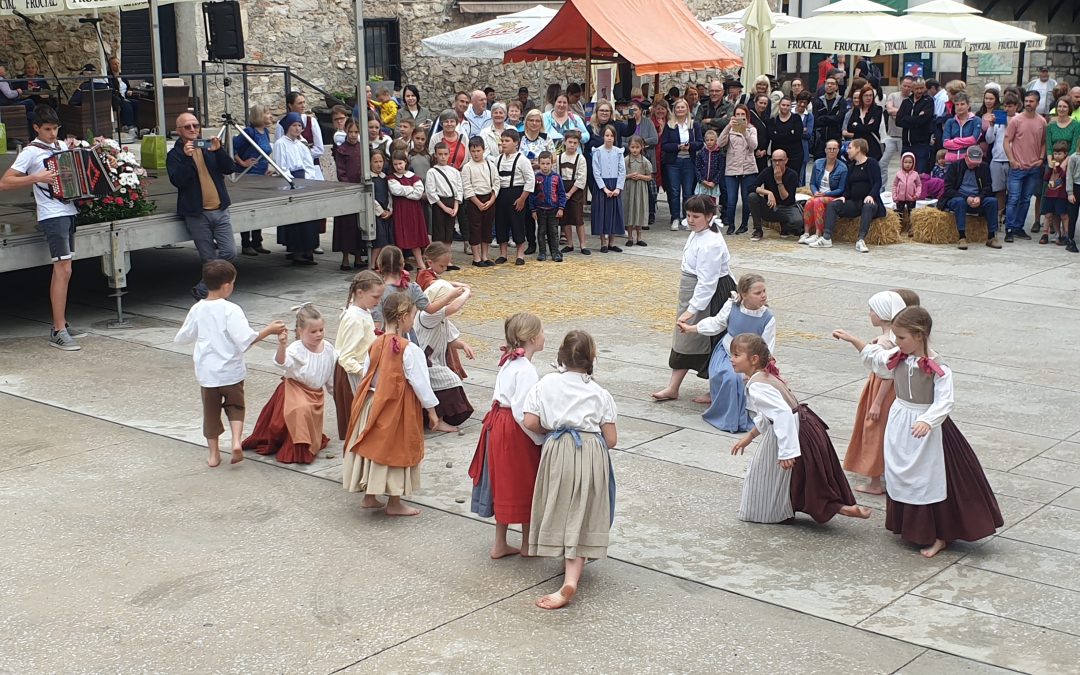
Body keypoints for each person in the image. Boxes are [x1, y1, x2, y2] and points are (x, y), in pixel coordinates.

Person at [833, 307, 1003, 558]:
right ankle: (909, 527)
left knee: (928, 477)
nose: (898, 343)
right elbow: (876, 358)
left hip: (927, 427)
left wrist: (928, 420)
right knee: (902, 472)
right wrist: (853, 340)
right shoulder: (898, 356)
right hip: (900, 420)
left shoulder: (938, 367)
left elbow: (944, 400)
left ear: (920, 335)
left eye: (902, 338)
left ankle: (939, 535)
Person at [729, 334, 868, 524]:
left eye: (736, 355)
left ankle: (767, 512)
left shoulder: (757, 385)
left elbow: (782, 414)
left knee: (765, 476)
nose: (731, 359)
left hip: (794, 431)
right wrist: (750, 436)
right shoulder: (765, 376)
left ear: (753, 359)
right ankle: (840, 507)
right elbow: (769, 416)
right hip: (804, 427)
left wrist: (787, 452)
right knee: (805, 476)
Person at [524, 330, 618, 610]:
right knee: (583, 509)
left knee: (560, 503)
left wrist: (552, 430)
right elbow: (611, 439)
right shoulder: (599, 393)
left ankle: (562, 557)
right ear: (591, 359)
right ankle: (572, 577)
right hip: (589, 449)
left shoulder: (546, 383)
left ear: (562, 356)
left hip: (557, 446)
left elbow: (530, 421)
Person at [341, 292, 447, 516]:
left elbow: (367, 373)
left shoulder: (376, 342)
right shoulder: (409, 349)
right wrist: (432, 412)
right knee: (395, 448)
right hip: (397, 407)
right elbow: (420, 384)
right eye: (411, 316)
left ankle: (370, 496)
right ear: (402, 318)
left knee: (373, 446)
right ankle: (394, 502)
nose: (412, 320)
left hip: (373, 403)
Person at [174, 260, 286, 467]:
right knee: (236, 407)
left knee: (210, 413)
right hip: (231, 371)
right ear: (227, 285)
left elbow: (183, 337)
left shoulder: (197, 309)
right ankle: (235, 441)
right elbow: (246, 339)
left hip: (208, 373)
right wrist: (269, 330)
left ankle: (214, 454)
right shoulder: (231, 309)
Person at [0, 105, 84, 350]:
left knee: (67, 269)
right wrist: (37, 177)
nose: (52, 134)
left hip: (69, 210)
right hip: (51, 214)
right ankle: (58, 329)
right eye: (47, 129)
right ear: (36, 128)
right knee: (62, 269)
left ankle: (63, 323)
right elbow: (5, 182)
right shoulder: (31, 152)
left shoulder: (59, 147)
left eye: (55, 128)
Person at [468, 312, 545, 558]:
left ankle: (500, 542)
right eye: (542, 331)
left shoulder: (508, 362)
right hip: (514, 430)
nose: (545, 336)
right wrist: (540, 437)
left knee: (502, 480)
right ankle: (526, 544)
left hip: (497, 425)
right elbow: (524, 413)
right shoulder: (526, 369)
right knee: (523, 481)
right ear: (532, 338)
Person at [651, 195, 737, 402]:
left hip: (712, 295)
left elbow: (708, 281)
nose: (690, 220)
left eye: (695, 216)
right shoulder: (698, 234)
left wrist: (692, 309)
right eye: (688, 215)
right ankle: (673, 387)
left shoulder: (711, 243)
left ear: (709, 216)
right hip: (693, 289)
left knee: (713, 340)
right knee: (685, 340)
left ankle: (715, 389)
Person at [242, 304, 336, 464]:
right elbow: (281, 362)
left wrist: (335, 392)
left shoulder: (327, 349)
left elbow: (330, 374)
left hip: (315, 393)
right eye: (313, 331)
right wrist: (282, 345)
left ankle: (306, 441)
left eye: (321, 330)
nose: (318, 334)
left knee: (306, 413)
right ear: (300, 331)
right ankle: (296, 448)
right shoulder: (296, 349)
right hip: (295, 389)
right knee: (300, 410)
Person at [680, 273, 774, 432]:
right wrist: (691, 329)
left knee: (743, 380)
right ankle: (723, 416)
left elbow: (767, 346)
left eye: (764, 291)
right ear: (744, 294)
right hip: (728, 352)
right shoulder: (732, 306)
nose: (763, 295)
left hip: (752, 359)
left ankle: (741, 416)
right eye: (757, 293)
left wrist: (757, 368)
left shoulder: (767, 318)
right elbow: (716, 323)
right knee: (730, 377)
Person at [843, 291, 910, 495]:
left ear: (881, 313)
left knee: (875, 430)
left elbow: (887, 374)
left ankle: (874, 482)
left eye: (872, 310)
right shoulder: (892, 337)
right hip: (887, 389)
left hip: (881, 389)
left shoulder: (886, 341)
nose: (870, 314)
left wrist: (877, 402)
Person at [167, 112, 238, 297]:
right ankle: (212, 295)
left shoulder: (207, 147)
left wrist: (219, 150)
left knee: (229, 252)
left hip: (220, 209)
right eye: (188, 127)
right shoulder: (175, 155)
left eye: (196, 126)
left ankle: (202, 289)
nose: (193, 130)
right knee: (208, 259)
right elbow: (178, 181)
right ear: (178, 131)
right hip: (197, 213)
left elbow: (230, 168)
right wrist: (187, 158)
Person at [415, 280, 475, 429]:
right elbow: (454, 307)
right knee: (448, 381)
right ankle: (439, 419)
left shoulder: (440, 317)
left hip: (435, 359)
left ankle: (439, 417)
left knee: (446, 381)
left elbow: (450, 339)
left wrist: (463, 345)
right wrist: (465, 293)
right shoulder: (427, 315)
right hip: (425, 361)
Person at [332, 270, 385, 439]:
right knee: (359, 421)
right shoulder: (354, 318)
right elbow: (346, 357)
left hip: (361, 368)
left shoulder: (364, 311)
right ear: (360, 293)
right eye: (375, 297)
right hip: (352, 374)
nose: (379, 301)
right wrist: (366, 374)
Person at [809, 138, 884, 253]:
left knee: (868, 206)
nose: (847, 151)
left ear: (858, 149)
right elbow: (848, 186)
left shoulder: (872, 163)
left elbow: (878, 182)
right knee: (833, 205)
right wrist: (844, 196)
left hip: (869, 202)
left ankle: (861, 240)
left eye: (850, 148)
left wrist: (871, 195)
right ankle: (826, 237)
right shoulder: (851, 166)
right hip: (854, 202)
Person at [273, 112, 324, 265]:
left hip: (304, 182)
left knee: (309, 219)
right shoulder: (281, 143)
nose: (297, 129)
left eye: (299, 126)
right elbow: (281, 166)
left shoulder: (301, 144)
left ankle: (309, 248)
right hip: (291, 183)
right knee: (296, 221)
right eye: (294, 126)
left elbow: (308, 164)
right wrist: (293, 182)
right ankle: (297, 250)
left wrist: (307, 180)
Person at [1004, 90, 1047, 241]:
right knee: (1013, 199)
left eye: (1032, 101)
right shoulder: (1016, 120)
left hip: (1034, 167)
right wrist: (1012, 160)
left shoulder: (1042, 121)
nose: (1029, 104)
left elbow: (1043, 143)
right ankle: (1009, 228)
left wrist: (1041, 158)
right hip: (1017, 167)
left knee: (1026, 199)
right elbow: (1006, 141)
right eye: (1027, 101)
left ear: (1038, 103)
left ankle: (1018, 227)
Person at [940, 145, 1001, 250]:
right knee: (960, 202)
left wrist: (980, 197)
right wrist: (966, 198)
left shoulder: (984, 167)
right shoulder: (955, 166)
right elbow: (948, 189)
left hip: (976, 198)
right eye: (971, 163)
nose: (973, 165)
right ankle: (962, 237)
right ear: (966, 157)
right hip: (958, 198)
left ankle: (991, 236)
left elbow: (988, 187)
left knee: (992, 201)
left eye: (976, 163)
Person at [232, 104, 274, 256]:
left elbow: (264, 152)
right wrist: (242, 162)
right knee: (247, 209)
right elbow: (232, 147)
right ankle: (246, 243)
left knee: (259, 208)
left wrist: (267, 168)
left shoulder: (266, 132)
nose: (270, 116)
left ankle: (257, 241)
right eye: (267, 113)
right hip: (247, 176)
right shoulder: (249, 132)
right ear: (258, 116)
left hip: (261, 176)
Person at [494, 128, 535, 264]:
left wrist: (522, 198)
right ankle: (503, 254)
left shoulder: (522, 159)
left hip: (517, 194)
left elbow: (530, 180)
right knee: (501, 224)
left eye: (507, 141)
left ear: (516, 143)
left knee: (517, 224)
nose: (504, 144)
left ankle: (520, 255)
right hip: (501, 194)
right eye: (502, 141)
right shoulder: (497, 159)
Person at [331, 119, 367, 270]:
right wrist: (350, 186)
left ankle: (358, 256)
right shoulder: (341, 150)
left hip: (361, 189)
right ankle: (345, 258)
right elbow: (341, 171)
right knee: (346, 225)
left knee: (359, 225)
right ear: (345, 131)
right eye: (350, 132)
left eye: (356, 132)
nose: (353, 135)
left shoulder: (362, 148)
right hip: (348, 191)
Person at [747, 149, 803, 242]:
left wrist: (779, 181)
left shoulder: (792, 174)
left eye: (780, 160)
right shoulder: (767, 171)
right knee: (752, 196)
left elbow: (787, 200)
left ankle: (785, 226)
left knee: (798, 222)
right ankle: (758, 230)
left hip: (786, 207)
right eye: (774, 160)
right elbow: (751, 187)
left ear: (786, 160)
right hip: (771, 206)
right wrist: (769, 193)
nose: (776, 163)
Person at [719, 104, 758, 235]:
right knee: (731, 199)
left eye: (743, 115)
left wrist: (745, 131)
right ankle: (730, 224)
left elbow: (753, 146)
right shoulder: (730, 129)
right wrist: (728, 126)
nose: (740, 117)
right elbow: (719, 143)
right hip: (732, 168)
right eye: (738, 115)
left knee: (747, 199)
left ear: (747, 116)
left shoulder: (752, 129)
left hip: (748, 168)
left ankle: (744, 224)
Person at [387, 151, 430, 271]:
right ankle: (400, 265)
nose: (398, 166)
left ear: (405, 162)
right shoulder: (391, 178)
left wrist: (406, 191)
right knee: (400, 238)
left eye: (400, 163)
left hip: (414, 212)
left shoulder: (414, 176)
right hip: (400, 212)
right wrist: (411, 189)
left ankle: (420, 264)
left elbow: (418, 193)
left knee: (415, 238)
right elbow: (396, 190)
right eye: (395, 164)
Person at [800, 139, 848, 245]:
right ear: (825, 150)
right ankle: (806, 232)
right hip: (819, 193)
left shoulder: (843, 168)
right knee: (809, 202)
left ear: (838, 150)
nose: (831, 151)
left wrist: (825, 194)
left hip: (832, 195)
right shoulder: (818, 163)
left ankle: (818, 233)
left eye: (834, 149)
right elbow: (812, 183)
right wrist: (815, 191)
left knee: (818, 201)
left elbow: (841, 189)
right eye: (829, 149)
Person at [461, 136, 499, 266]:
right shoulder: (467, 167)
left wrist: (492, 199)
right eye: (473, 151)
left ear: (484, 150)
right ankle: (476, 257)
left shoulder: (490, 165)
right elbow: (467, 187)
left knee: (487, 228)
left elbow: (496, 183)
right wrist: (477, 202)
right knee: (475, 228)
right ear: (469, 151)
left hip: (489, 199)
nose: (476, 154)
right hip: (474, 200)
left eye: (478, 150)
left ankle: (485, 256)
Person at [984, 92, 1018, 226]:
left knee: (1013, 191)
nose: (1007, 109)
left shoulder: (1019, 119)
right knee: (999, 190)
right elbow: (989, 139)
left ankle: (1010, 218)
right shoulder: (998, 119)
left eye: (1010, 106)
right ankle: (998, 216)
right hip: (997, 158)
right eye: (1005, 106)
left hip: (1013, 159)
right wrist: (992, 125)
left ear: (1016, 106)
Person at [591, 124, 626, 252]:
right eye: (607, 135)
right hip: (603, 186)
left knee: (614, 213)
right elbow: (596, 171)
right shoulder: (598, 152)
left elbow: (622, 170)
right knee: (602, 213)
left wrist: (618, 188)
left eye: (611, 136)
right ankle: (603, 243)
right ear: (603, 136)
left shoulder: (618, 152)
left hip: (615, 184)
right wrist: (604, 188)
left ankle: (612, 242)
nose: (609, 138)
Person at [425, 142, 463, 250]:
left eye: (445, 154)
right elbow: (431, 191)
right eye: (440, 154)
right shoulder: (432, 172)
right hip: (439, 203)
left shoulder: (454, 171)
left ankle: (448, 258)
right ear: (435, 155)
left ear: (449, 154)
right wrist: (444, 208)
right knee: (439, 231)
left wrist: (456, 206)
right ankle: (439, 256)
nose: (443, 157)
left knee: (449, 231)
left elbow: (458, 189)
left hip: (452, 202)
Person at [276, 92, 324, 176]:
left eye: (304, 102)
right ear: (290, 105)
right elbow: (280, 150)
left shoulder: (311, 121)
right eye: (299, 103)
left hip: (310, 165)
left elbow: (319, 149)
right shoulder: (281, 124)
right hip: (290, 169)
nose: (303, 105)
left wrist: (303, 155)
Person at [530, 150, 566, 262]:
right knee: (541, 231)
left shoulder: (556, 177)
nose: (545, 166)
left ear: (552, 164)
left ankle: (555, 252)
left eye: (547, 164)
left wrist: (561, 208)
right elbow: (532, 194)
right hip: (540, 209)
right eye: (543, 164)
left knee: (554, 232)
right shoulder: (536, 178)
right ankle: (542, 252)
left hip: (553, 209)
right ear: (539, 164)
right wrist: (533, 210)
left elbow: (561, 193)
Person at [557, 129, 590, 254]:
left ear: (578, 144)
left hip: (575, 190)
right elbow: (556, 175)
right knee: (565, 219)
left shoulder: (580, 159)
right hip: (562, 188)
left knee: (578, 218)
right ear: (565, 142)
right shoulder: (559, 158)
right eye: (570, 142)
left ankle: (583, 245)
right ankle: (570, 244)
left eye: (575, 143)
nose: (572, 145)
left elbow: (582, 178)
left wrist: (570, 193)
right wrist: (561, 193)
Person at [897, 78, 935, 174]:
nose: (919, 91)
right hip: (906, 144)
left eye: (921, 88)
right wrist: (916, 118)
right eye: (916, 88)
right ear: (912, 89)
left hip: (921, 144)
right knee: (905, 173)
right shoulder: (906, 102)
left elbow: (924, 120)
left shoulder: (928, 101)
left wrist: (907, 118)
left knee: (920, 173)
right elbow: (898, 121)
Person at [881, 77, 914, 185]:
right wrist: (903, 114)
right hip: (890, 135)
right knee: (882, 162)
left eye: (909, 86)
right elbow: (889, 110)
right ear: (900, 85)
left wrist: (898, 115)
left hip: (904, 137)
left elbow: (911, 116)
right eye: (904, 85)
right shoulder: (893, 96)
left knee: (905, 165)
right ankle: (881, 188)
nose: (906, 88)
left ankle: (903, 187)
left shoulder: (912, 99)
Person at [624, 135, 652, 247]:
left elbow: (649, 177)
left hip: (640, 190)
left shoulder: (644, 161)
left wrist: (640, 176)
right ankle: (630, 237)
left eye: (637, 147)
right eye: (632, 147)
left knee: (639, 211)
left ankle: (639, 237)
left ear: (642, 147)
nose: (635, 150)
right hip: (629, 189)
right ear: (629, 147)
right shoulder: (626, 160)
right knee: (630, 210)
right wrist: (630, 175)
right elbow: (621, 176)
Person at [767, 97, 804, 181]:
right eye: (783, 105)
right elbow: (772, 136)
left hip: (795, 156)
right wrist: (789, 133)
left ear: (790, 107)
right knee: (778, 178)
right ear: (779, 105)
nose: (785, 107)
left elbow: (797, 135)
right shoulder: (773, 120)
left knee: (792, 179)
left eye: (788, 105)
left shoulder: (796, 118)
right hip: (778, 157)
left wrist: (779, 134)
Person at [1041, 141, 1070, 246]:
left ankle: (1066, 234)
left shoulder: (1066, 165)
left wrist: (1058, 168)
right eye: (1055, 153)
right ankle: (1046, 234)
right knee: (1049, 215)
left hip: (1061, 195)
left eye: (1059, 154)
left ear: (1065, 154)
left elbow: (1064, 177)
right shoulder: (1052, 164)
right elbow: (1045, 178)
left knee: (1063, 215)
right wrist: (1050, 169)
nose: (1057, 156)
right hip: (1050, 194)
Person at [812, 75, 847, 161]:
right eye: (828, 83)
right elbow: (816, 121)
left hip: (836, 138)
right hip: (821, 139)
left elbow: (840, 118)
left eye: (832, 84)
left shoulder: (841, 101)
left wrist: (824, 117)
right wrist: (832, 118)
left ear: (836, 87)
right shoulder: (818, 101)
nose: (829, 85)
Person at [369, 151, 394, 266]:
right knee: (379, 240)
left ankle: (382, 263)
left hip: (386, 213)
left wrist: (389, 210)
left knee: (387, 240)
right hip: (376, 214)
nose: (379, 165)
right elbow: (370, 197)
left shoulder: (385, 177)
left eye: (380, 161)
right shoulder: (370, 179)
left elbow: (389, 194)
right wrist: (381, 211)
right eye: (375, 162)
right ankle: (372, 264)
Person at [846, 85, 883, 160]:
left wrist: (856, 125)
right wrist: (864, 127)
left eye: (870, 95)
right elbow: (849, 127)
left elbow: (873, 127)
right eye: (866, 95)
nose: (868, 98)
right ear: (861, 97)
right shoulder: (856, 109)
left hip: (872, 145)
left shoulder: (877, 109)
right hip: (858, 144)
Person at [942, 92, 981, 164]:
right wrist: (964, 144)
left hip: (968, 160)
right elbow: (945, 143)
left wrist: (955, 140)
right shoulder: (950, 122)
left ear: (968, 105)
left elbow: (973, 140)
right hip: (951, 160)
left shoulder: (976, 120)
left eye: (962, 104)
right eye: (957, 104)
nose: (959, 107)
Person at [893, 152, 921, 237]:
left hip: (911, 198)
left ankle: (911, 229)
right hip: (900, 198)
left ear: (913, 163)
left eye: (910, 162)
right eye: (905, 162)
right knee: (899, 214)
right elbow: (894, 185)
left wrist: (917, 194)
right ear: (902, 162)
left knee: (911, 214)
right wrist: (894, 196)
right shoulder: (898, 174)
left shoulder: (915, 174)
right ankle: (898, 228)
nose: (907, 164)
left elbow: (919, 185)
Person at [694, 129, 723, 209]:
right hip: (702, 183)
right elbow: (697, 168)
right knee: (701, 203)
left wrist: (714, 182)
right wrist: (702, 180)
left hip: (713, 184)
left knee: (712, 203)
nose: (709, 142)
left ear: (716, 141)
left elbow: (720, 169)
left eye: (712, 140)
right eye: (707, 140)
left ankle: (711, 218)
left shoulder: (719, 154)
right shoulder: (701, 153)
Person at [0, 59, 34, 125]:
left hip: (5, 104)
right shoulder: (1, 80)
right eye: (3, 67)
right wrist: (17, 92)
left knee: (30, 113)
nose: (5, 69)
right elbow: (9, 94)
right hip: (5, 105)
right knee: (30, 102)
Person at [794, 91, 814, 186]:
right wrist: (802, 129)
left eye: (805, 102)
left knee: (801, 176)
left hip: (803, 148)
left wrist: (795, 130)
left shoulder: (809, 116)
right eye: (800, 101)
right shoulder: (791, 113)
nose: (802, 104)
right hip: (791, 148)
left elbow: (808, 134)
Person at [749, 94, 771, 173]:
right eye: (761, 103)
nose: (763, 105)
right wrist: (756, 150)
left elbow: (768, 135)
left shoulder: (767, 118)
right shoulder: (748, 115)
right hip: (751, 154)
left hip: (763, 154)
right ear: (755, 102)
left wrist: (765, 150)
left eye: (765, 104)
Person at [1066, 142, 1080, 252]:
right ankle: (1070, 239)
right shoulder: (1074, 157)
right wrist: (1070, 193)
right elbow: (1069, 175)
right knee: (1073, 215)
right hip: (1076, 188)